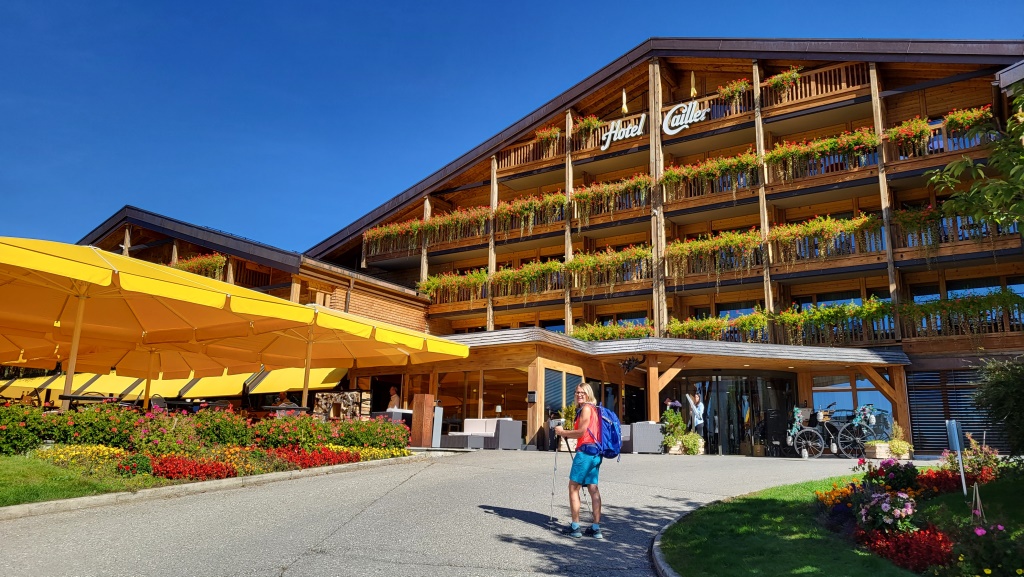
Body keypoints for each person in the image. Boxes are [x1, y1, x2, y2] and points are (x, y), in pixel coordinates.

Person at [553, 383, 604, 540]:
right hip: (596, 452)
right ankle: (596, 528)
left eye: (582, 392)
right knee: (593, 488)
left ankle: (575, 527)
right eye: (576, 392)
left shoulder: (587, 409)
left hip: (585, 453)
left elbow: (581, 432)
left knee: (573, 487)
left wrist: (563, 432)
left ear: (588, 394)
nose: (579, 395)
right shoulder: (595, 410)